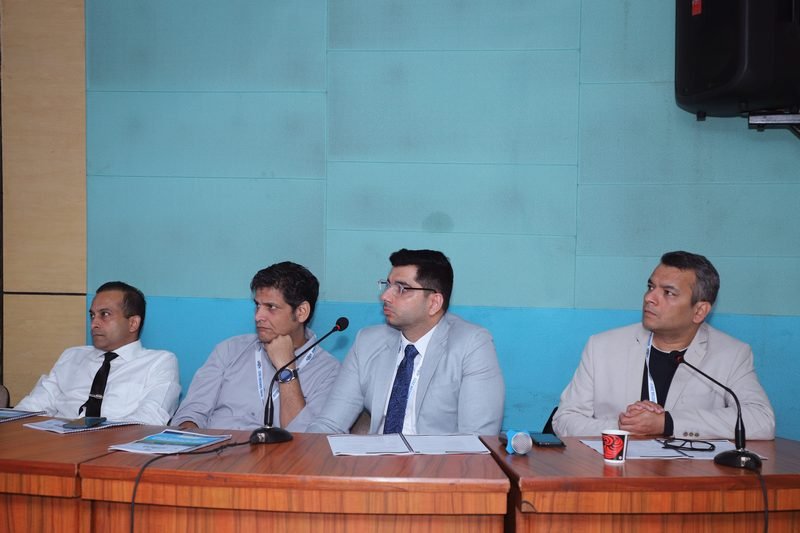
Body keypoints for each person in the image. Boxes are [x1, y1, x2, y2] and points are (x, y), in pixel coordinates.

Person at [553, 251, 775, 440]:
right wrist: (624, 426)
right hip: (615, 472)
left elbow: (761, 420)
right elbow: (564, 420)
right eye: (650, 287)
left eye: (668, 293)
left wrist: (667, 423)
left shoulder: (731, 354)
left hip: (687, 476)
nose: (650, 298)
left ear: (699, 311)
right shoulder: (602, 347)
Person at [309, 248, 504, 435]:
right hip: (377, 456)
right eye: (387, 285)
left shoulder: (471, 344)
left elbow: (477, 438)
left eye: (401, 289)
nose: (385, 296)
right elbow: (329, 423)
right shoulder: (367, 342)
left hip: (438, 458)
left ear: (434, 303)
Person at [171, 262, 340, 431]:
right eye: (257, 305)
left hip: (281, 449)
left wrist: (286, 368)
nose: (258, 316)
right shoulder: (230, 350)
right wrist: (190, 437)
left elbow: (304, 437)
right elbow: (190, 413)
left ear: (301, 312)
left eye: (271, 307)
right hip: (217, 445)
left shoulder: (329, 371)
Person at [16, 281, 180, 424]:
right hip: (55, 441)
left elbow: (150, 419)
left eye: (105, 315)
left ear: (133, 323)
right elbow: (33, 406)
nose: (94, 323)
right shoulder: (72, 356)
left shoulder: (159, 362)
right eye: (92, 315)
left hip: (113, 444)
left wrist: (98, 436)